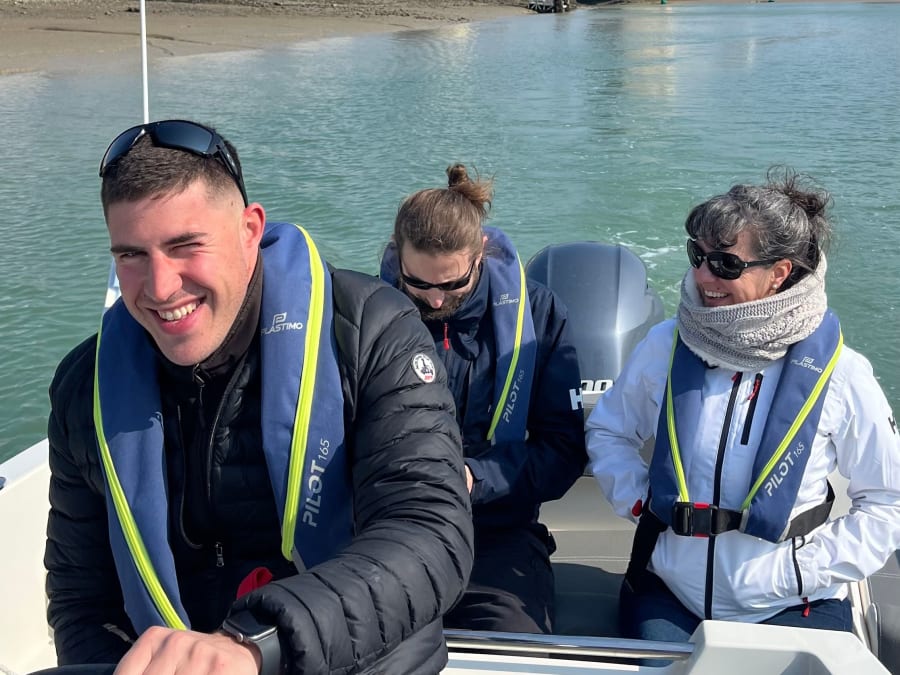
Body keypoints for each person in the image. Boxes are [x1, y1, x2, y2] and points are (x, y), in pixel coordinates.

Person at [44, 119, 474, 675]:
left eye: (185, 246)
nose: (160, 287)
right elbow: (81, 601)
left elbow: (430, 533)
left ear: (250, 229)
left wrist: (255, 645)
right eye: (130, 255)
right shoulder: (84, 389)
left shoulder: (372, 331)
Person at [585, 168, 900, 645]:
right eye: (698, 256)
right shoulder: (665, 345)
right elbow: (609, 431)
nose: (703, 276)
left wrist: (801, 571)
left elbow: (888, 502)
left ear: (780, 273)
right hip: (671, 596)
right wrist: (637, 500)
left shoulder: (843, 374)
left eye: (726, 265)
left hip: (795, 603)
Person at [379, 164, 587, 634]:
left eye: (453, 284)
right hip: (390, 531)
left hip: (497, 535)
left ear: (480, 255)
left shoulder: (541, 316)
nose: (435, 301)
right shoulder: (362, 313)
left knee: (516, 654)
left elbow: (564, 450)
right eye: (419, 284)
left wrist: (479, 477)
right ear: (396, 256)